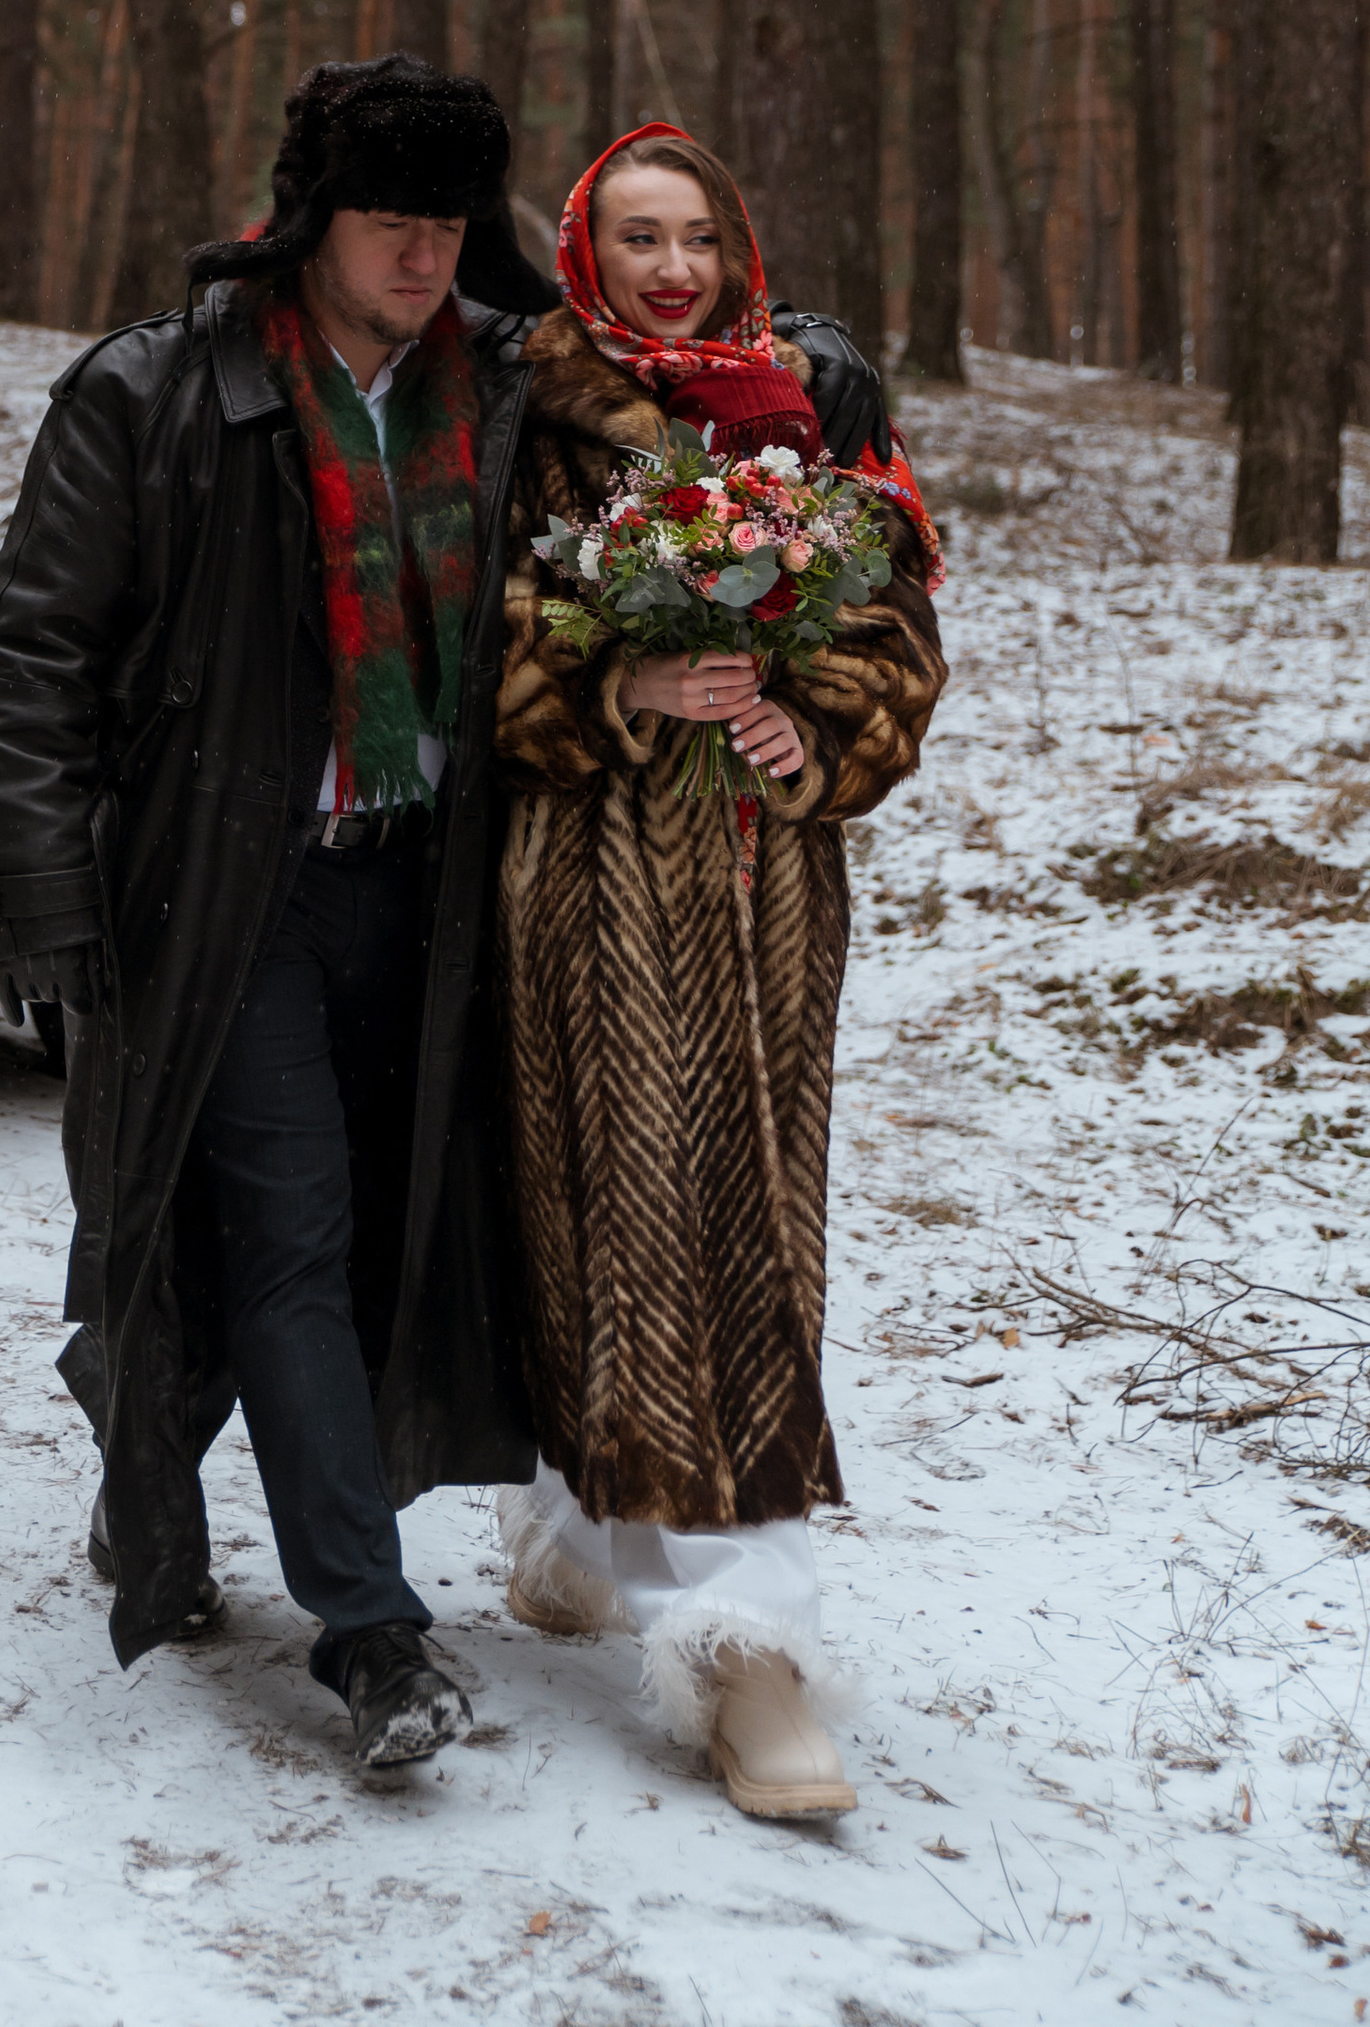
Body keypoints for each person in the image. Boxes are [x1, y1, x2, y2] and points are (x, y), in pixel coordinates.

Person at [0, 57, 890, 1776]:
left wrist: (814, 377)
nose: (419, 252)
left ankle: (153, 1450)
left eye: (447, 222)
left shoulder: (497, 384)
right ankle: (373, 1634)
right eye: (388, 219)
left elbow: (681, 385)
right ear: (313, 219)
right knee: (294, 1232)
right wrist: (51, 908)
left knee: (377, 1239)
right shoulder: (160, 393)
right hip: (233, 896)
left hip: (443, 897)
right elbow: (30, 664)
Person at [490, 121, 946, 1821]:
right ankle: (741, 1644)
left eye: (695, 238)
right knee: (646, 1218)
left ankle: (604, 1536)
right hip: (589, 891)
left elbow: (899, 631)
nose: (670, 269)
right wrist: (621, 685)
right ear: (583, 254)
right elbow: (473, 649)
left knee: (734, 1218)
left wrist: (805, 722)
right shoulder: (526, 411)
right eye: (636, 241)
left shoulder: (806, 409)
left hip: (769, 892)